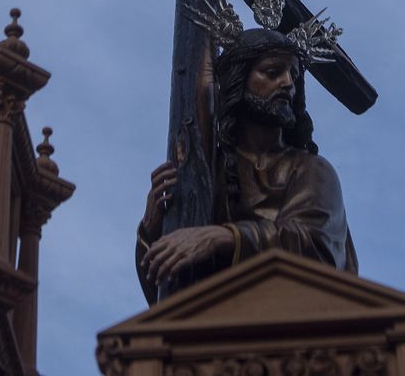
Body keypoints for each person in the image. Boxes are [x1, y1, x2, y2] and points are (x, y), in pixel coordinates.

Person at [136, 25, 356, 301]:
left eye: (293, 75)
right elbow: (165, 289)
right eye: (273, 72)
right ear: (239, 82)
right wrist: (152, 227)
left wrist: (222, 238)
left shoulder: (312, 170)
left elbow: (316, 246)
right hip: (216, 327)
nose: (287, 83)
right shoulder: (206, 173)